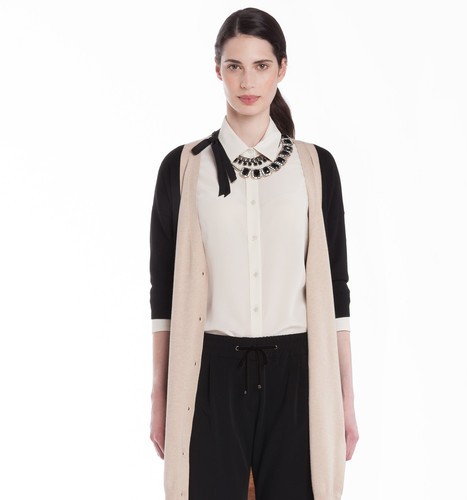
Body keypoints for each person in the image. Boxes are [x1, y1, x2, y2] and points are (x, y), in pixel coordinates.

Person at [149, 7, 359, 500]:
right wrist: (160, 394)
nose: (247, 81)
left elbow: (337, 290)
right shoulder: (183, 168)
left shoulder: (315, 168)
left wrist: (345, 398)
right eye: (235, 66)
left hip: (298, 375)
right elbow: (164, 294)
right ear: (217, 69)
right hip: (208, 375)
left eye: (261, 65)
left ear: (281, 68)